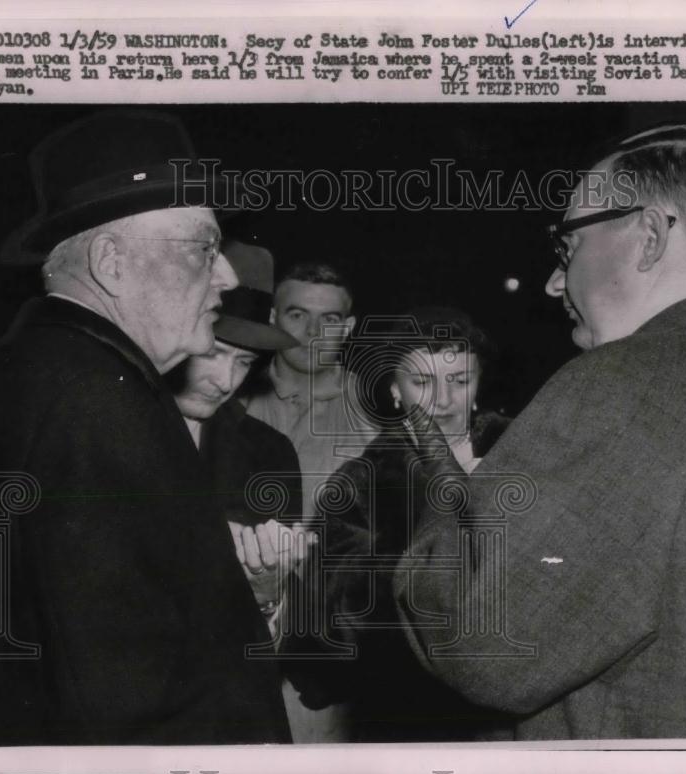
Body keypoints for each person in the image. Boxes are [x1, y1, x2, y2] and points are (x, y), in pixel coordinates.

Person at [393, 124, 686, 739]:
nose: (555, 282)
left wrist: (450, 496)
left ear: (649, 238)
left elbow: (483, 643)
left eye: (566, 245)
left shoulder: (617, 387)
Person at [0, 110, 291, 745]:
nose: (226, 276)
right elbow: (124, 701)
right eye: (204, 248)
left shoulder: (36, 372)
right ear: (112, 262)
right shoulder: (93, 401)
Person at [315, 307, 511, 741]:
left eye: (460, 381)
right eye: (422, 383)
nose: (443, 401)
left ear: (478, 387)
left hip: (514, 708)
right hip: (411, 709)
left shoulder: (523, 456)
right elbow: (342, 614)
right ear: (394, 390)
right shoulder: (360, 483)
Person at [242, 262, 377, 742]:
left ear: (350, 327)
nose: (313, 332)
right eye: (298, 315)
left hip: (327, 660)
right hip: (231, 644)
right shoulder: (229, 399)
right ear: (274, 315)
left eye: (330, 319)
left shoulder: (378, 412)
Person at [168, 239, 308, 626]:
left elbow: (276, 642)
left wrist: (267, 597)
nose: (225, 382)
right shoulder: (108, 424)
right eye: (212, 354)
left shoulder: (270, 452)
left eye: (244, 362)